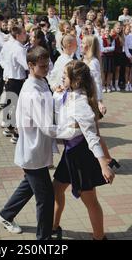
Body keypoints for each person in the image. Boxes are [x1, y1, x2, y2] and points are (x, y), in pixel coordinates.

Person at [0, 46, 80, 240]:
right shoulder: (31, 92)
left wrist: (58, 95)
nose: (47, 69)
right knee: (46, 198)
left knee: (29, 186)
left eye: (47, 64)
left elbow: (49, 105)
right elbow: (47, 127)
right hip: (33, 152)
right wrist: (73, 131)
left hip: (37, 150)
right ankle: (43, 239)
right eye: (42, 66)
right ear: (30, 65)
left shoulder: (40, 81)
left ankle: (5, 215)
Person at [52, 60, 115, 240]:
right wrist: (57, 93)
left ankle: (99, 238)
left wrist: (104, 164)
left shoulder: (80, 103)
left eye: (65, 76)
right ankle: (53, 227)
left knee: (90, 200)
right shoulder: (70, 93)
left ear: (76, 80)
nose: (62, 78)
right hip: (70, 152)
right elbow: (59, 103)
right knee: (56, 189)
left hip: (80, 154)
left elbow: (93, 137)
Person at [0, 25, 28, 144]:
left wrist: (7, 71)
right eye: (24, 33)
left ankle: (9, 127)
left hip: (10, 78)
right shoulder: (19, 48)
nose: (26, 35)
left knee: (11, 104)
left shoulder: (10, 45)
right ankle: (16, 133)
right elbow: (26, 65)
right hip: (16, 80)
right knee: (17, 107)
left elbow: (2, 59)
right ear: (18, 35)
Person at [99, 28, 115, 93]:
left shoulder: (112, 39)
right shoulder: (101, 39)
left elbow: (113, 48)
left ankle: (108, 85)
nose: (107, 32)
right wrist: (109, 49)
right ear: (104, 31)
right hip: (103, 57)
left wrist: (106, 49)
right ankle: (103, 85)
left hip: (110, 57)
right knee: (103, 72)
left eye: (108, 31)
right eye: (106, 31)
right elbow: (102, 49)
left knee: (109, 72)